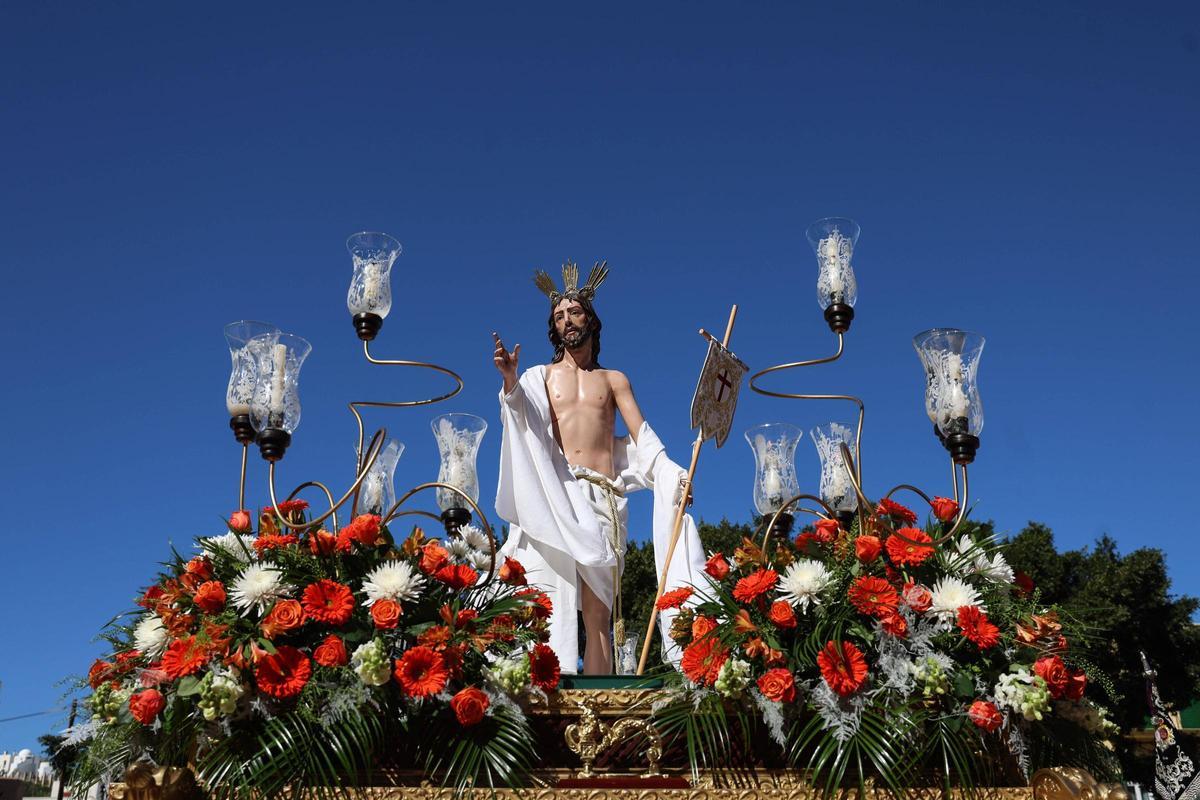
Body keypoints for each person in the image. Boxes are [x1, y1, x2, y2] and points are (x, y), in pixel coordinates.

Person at [492, 261, 705, 674]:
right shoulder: (539, 377)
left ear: (590, 319)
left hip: (603, 498)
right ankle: (547, 695)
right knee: (545, 598)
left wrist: (673, 474)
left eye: (573, 312)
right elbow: (522, 422)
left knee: (598, 614)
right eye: (558, 316)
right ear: (553, 329)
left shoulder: (613, 380)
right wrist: (510, 383)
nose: (566, 320)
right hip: (555, 494)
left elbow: (643, 438)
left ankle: (601, 704)